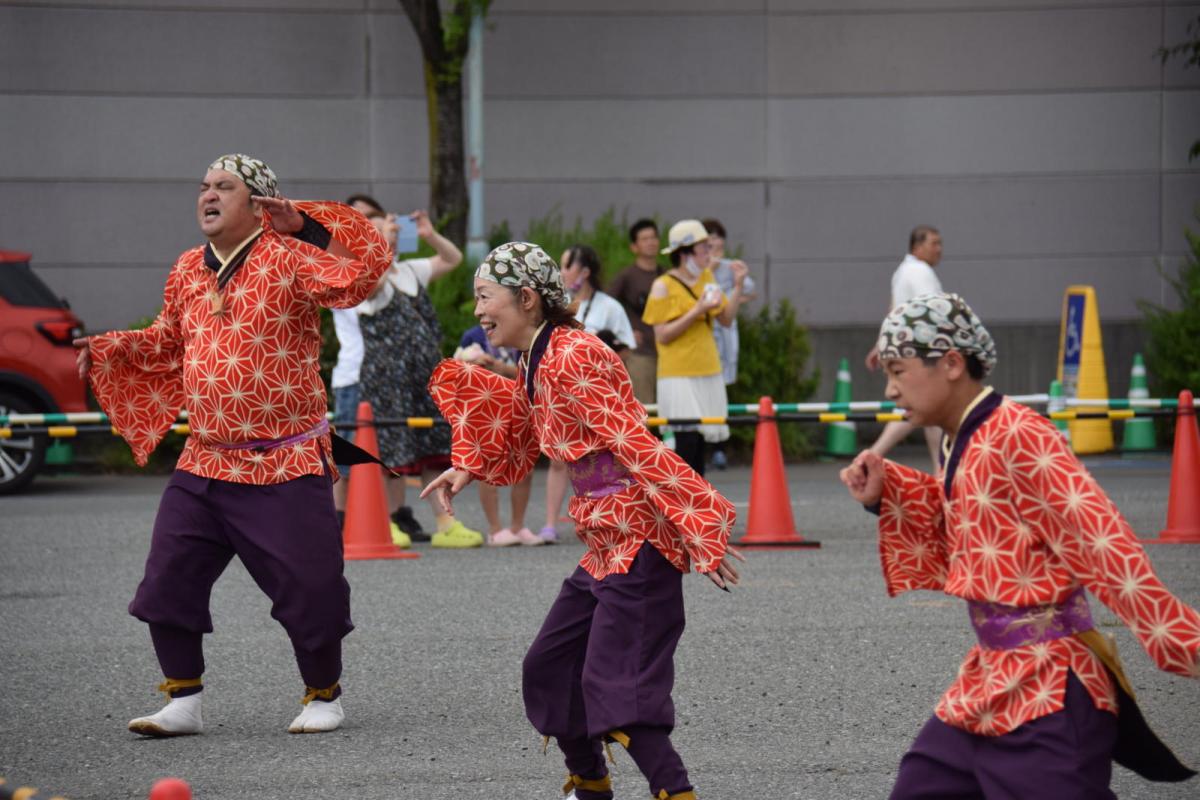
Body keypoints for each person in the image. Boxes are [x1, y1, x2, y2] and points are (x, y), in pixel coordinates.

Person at [73, 154, 391, 736]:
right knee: (168, 579)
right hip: (206, 458)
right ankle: (183, 699)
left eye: (225, 186)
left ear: (260, 204)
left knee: (311, 587)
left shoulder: (292, 257)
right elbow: (168, 339)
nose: (208, 195)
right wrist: (111, 347)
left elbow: (361, 277)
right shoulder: (186, 269)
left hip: (285, 457)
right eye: (204, 186)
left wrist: (308, 229)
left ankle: (323, 695)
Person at [840, 292, 1199, 799]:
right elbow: (978, 527)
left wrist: (1181, 638)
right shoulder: (960, 435)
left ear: (951, 363)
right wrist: (887, 494)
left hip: (1052, 686)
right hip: (990, 678)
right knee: (921, 787)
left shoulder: (1021, 435)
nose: (891, 389)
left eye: (897, 371)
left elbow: (1101, 541)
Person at [420, 242, 743, 800]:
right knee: (549, 666)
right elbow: (521, 426)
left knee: (620, 688)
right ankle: (590, 783)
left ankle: (675, 791)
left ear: (526, 299)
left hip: (638, 538)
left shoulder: (574, 354)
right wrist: (464, 468)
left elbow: (632, 440)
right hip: (604, 543)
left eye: (484, 296)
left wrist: (697, 520)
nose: (477, 310)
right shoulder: (537, 357)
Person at [355, 206, 484, 549]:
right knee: (392, 448)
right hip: (386, 376)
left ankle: (446, 522)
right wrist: (378, 246)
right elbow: (371, 289)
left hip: (425, 374)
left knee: (436, 444)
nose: (392, 234)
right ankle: (387, 522)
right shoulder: (361, 273)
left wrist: (429, 234)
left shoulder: (410, 270)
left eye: (393, 229)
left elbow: (453, 258)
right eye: (383, 230)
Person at [540, 244, 637, 544]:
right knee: (559, 456)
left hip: (597, 393)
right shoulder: (557, 306)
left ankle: (613, 518)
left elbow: (625, 348)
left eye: (567, 266)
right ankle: (550, 523)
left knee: (604, 452)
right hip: (562, 390)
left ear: (585, 271)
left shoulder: (609, 306)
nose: (562, 272)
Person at [642, 219, 746, 476]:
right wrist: (697, 311)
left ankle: (698, 506)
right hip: (677, 373)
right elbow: (662, 335)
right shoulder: (662, 285)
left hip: (708, 367)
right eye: (703, 249)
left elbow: (726, 318)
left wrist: (738, 286)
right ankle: (684, 507)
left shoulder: (707, 278)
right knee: (685, 441)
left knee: (701, 441)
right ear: (684, 252)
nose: (709, 255)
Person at [864, 225, 945, 467]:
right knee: (926, 408)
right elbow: (934, 310)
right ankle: (941, 469)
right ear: (917, 247)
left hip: (904, 348)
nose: (939, 249)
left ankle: (872, 457)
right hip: (921, 351)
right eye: (934, 243)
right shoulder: (920, 271)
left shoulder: (902, 271)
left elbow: (894, 309)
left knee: (920, 410)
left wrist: (880, 345)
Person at [455, 324, 539, 546]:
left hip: (519, 405)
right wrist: (473, 365)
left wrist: (503, 368)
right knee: (489, 469)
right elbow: (458, 371)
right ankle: (495, 529)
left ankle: (518, 525)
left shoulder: (521, 333)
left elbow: (534, 371)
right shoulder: (471, 335)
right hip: (486, 408)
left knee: (525, 468)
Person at [701, 218, 757, 470]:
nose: (714, 242)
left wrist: (731, 301)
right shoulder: (699, 270)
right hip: (701, 333)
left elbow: (750, 290)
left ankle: (719, 448)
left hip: (723, 332)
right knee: (700, 392)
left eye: (717, 236)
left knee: (720, 390)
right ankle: (702, 446)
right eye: (708, 238)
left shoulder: (730, 266)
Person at [607, 219, 662, 405]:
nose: (650, 242)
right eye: (644, 239)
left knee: (669, 413)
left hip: (668, 353)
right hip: (641, 354)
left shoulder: (666, 275)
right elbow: (607, 306)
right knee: (645, 408)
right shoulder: (626, 276)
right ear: (634, 246)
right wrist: (625, 333)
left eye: (653, 237)